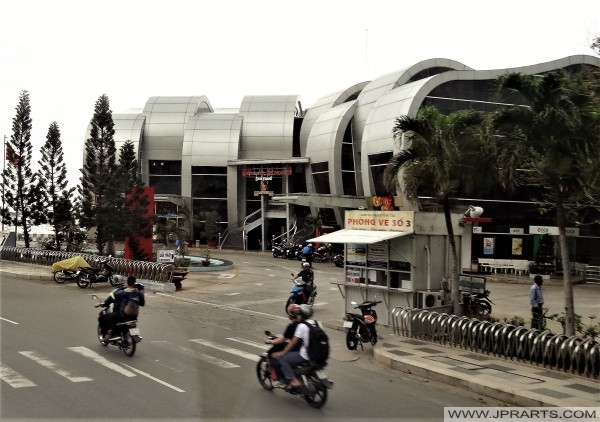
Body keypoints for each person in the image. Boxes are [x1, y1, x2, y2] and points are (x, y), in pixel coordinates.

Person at [271, 304, 317, 391]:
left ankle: (294, 381)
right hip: (317, 354)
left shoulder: (301, 326)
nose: (297, 316)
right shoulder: (317, 323)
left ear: (302, 315)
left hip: (305, 354)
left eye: (299, 314)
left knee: (283, 359)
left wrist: (282, 353)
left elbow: (292, 342)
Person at [98, 276, 145, 341]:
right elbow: (142, 304)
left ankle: (107, 334)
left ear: (127, 283)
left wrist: (104, 304)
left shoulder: (122, 292)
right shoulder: (138, 293)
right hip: (134, 316)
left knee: (102, 318)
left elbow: (112, 298)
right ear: (134, 283)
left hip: (123, 315)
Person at [266, 304, 302, 387]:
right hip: (304, 349)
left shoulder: (292, 326)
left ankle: (280, 380)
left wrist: (271, 342)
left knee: (274, 355)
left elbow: (283, 339)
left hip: (295, 350)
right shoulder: (305, 324)